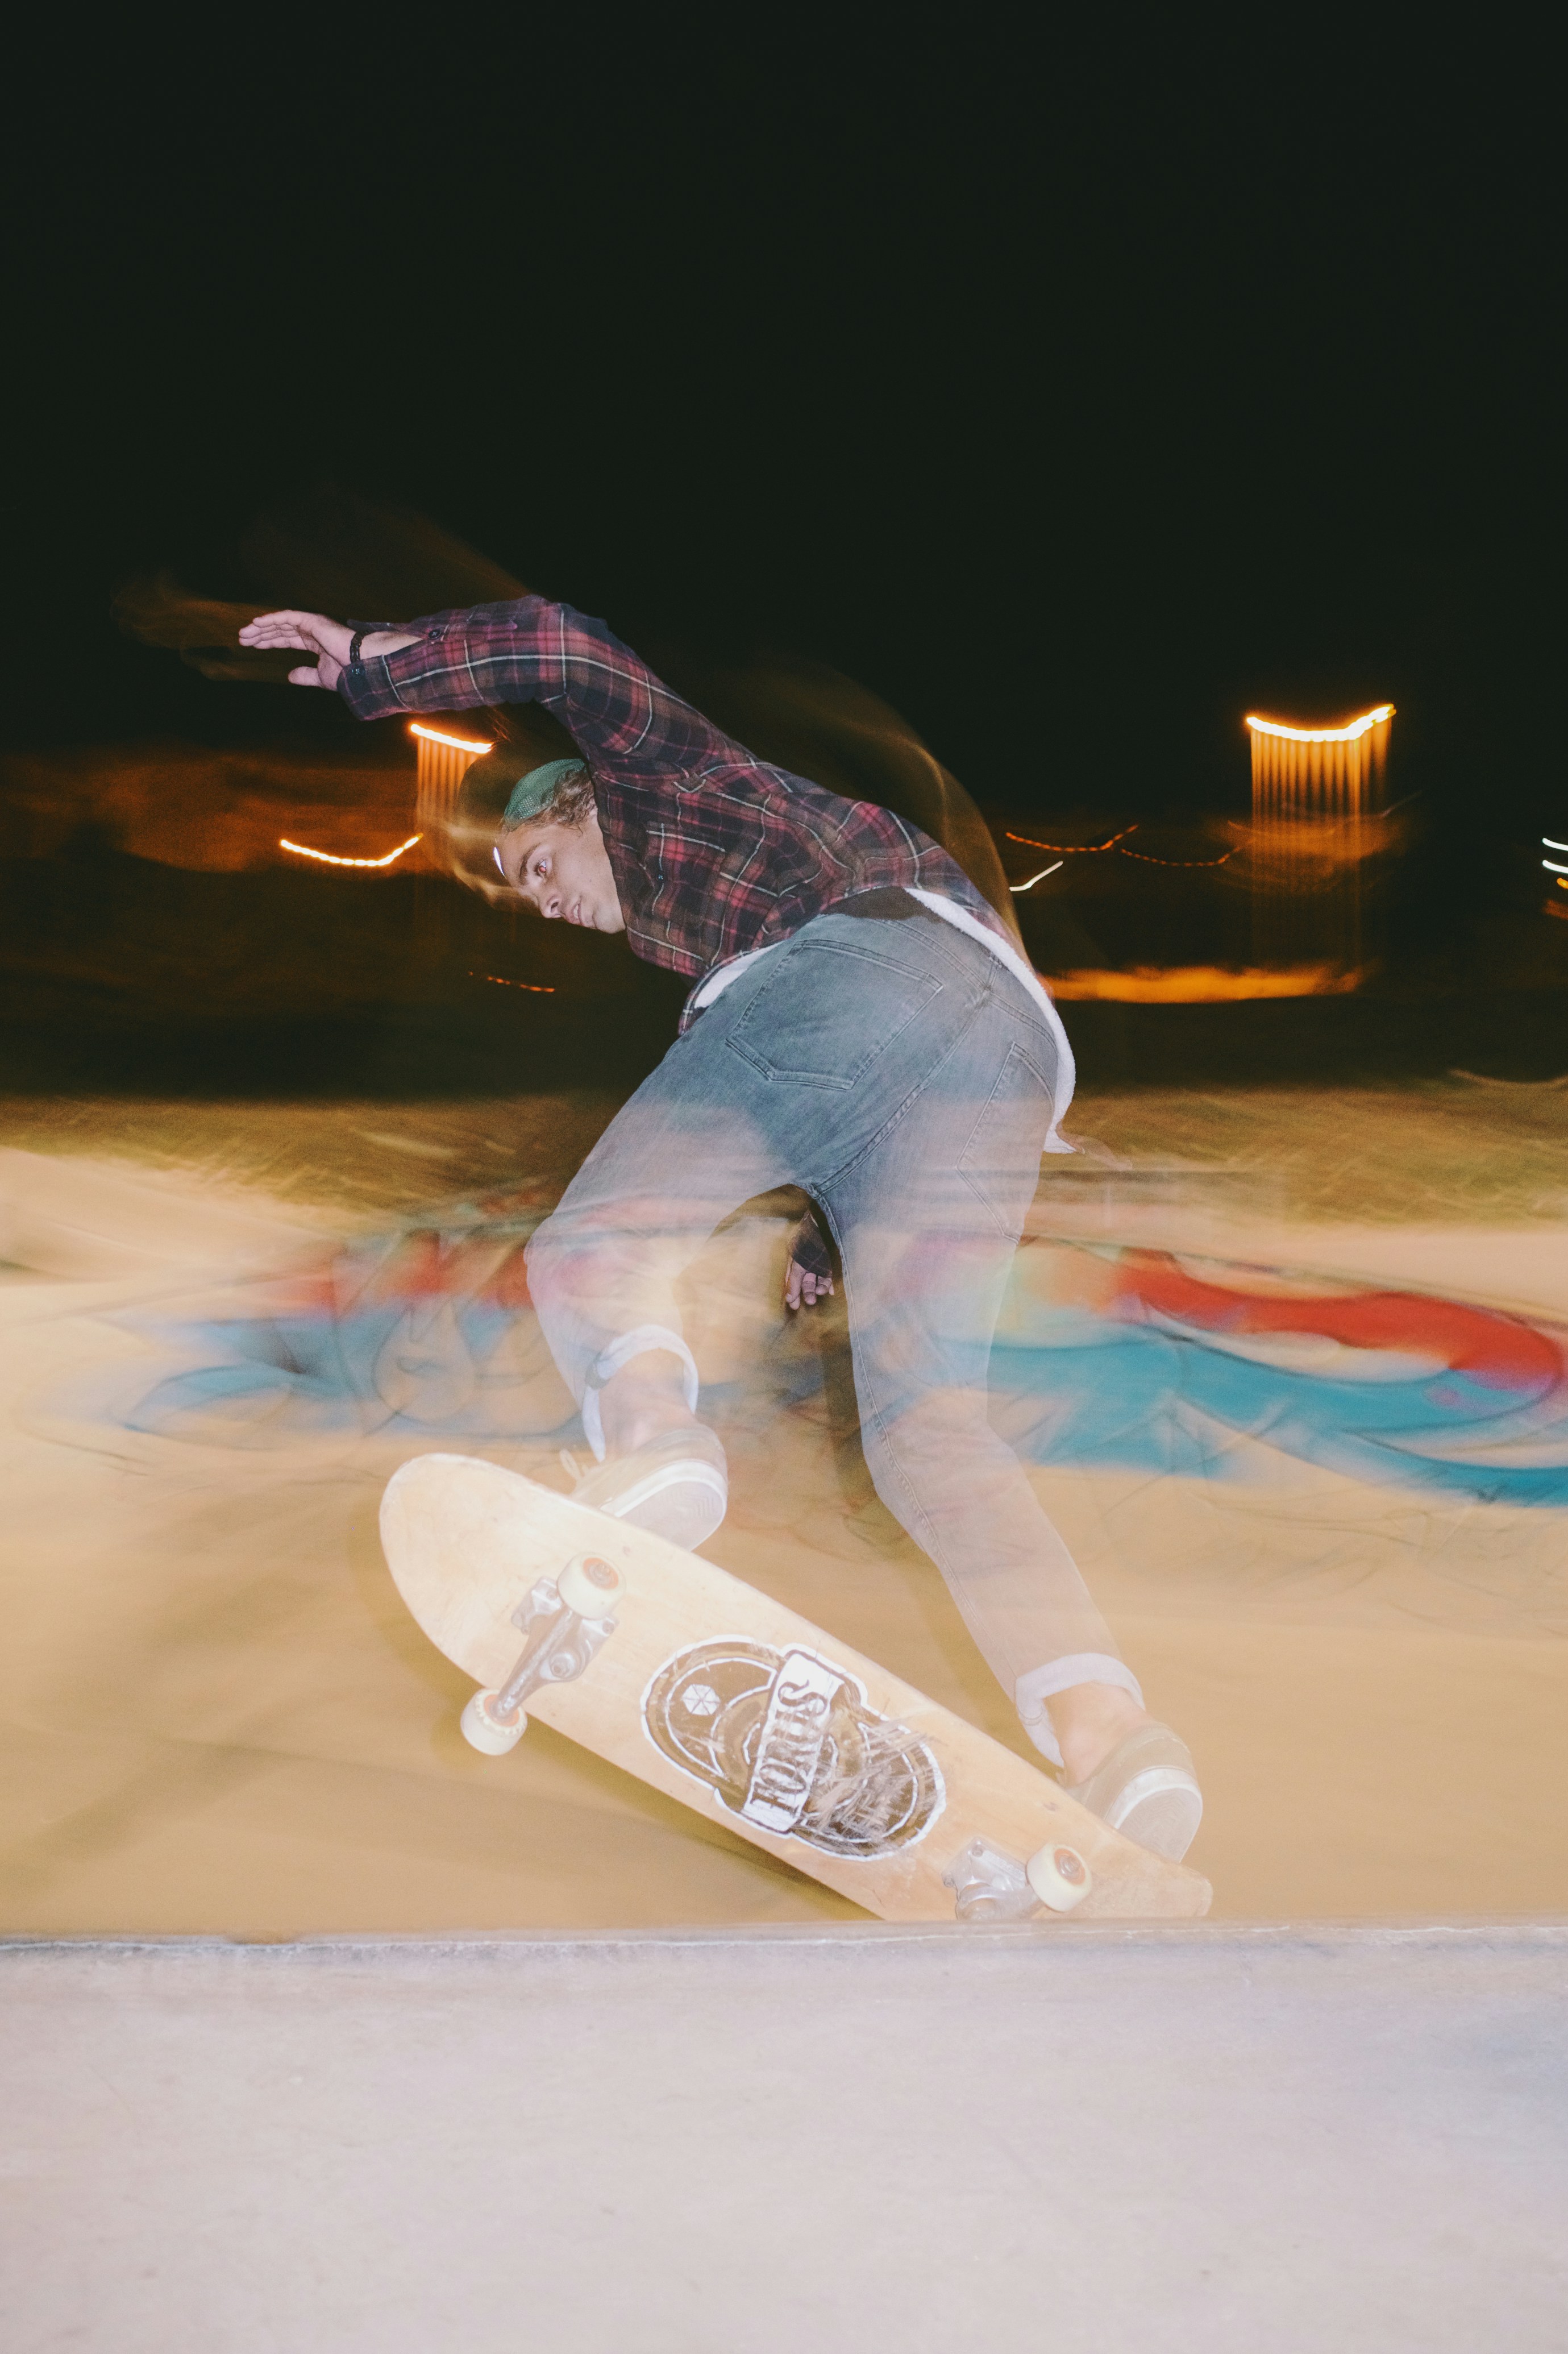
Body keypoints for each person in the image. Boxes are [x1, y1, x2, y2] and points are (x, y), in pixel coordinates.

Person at [239, 595, 1203, 1859]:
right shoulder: (730, 918)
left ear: (579, 807)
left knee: (594, 1246)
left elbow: (561, 644)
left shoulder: (662, 781)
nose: (545, 903)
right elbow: (871, 1082)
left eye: (539, 867)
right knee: (930, 1431)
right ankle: (1110, 1737)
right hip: (1008, 1063)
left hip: (867, 973)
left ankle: (653, 1439)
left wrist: (382, 667)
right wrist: (820, 1239)